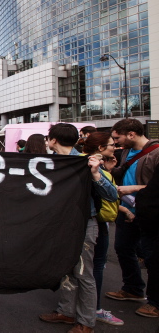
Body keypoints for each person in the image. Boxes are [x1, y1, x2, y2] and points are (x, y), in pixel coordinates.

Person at [39, 123, 118, 333]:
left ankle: (86, 322)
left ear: (53, 140)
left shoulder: (86, 164)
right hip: (62, 225)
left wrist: (96, 174)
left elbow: (112, 195)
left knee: (84, 274)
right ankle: (66, 312)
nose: (48, 142)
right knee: (66, 270)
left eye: (49, 138)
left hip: (84, 225)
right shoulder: (53, 163)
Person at [105, 118, 159, 318]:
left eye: (117, 138)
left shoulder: (156, 153)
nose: (116, 142)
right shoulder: (127, 152)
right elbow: (127, 174)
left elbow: (155, 188)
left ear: (131, 134)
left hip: (148, 212)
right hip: (127, 208)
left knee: (152, 257)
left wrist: (133, 188)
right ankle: (133, 288)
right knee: (123, 248)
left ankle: (155, 301)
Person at [81, 132, 124, 326]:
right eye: (110, 144)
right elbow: (111, 195)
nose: (114, 147)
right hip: (96, 222)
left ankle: (81, 309)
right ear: (100, 149)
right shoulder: (89, 166)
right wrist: (100, 173)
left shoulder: (89, 164)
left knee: (85, 269)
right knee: (94, 268)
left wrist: (108, 170)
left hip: (96, 221)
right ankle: (94, 309)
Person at [134, 166, 159, 318]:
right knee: (152, 262)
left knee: (155, 262)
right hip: (150, 221)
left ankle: (155, 302)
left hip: (151, 219)